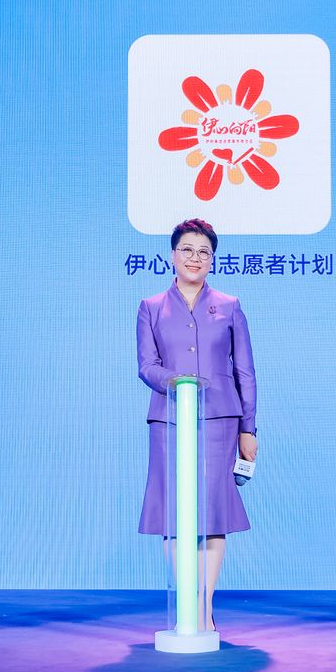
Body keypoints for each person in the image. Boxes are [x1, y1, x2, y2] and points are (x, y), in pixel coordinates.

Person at [136, 218, 258, 631]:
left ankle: (204, 608)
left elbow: (245, 371)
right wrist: (176, 381)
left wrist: (248, 429)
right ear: (173, 255)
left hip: (221, 420)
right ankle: (187, 600)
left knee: (213, 512)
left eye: (204, 252)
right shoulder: (151, 307)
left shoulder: (229, 306)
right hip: (170, 420)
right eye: (187, 249)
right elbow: (146, 365)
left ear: (212, 260)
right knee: (174, 511)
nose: (195, 258)